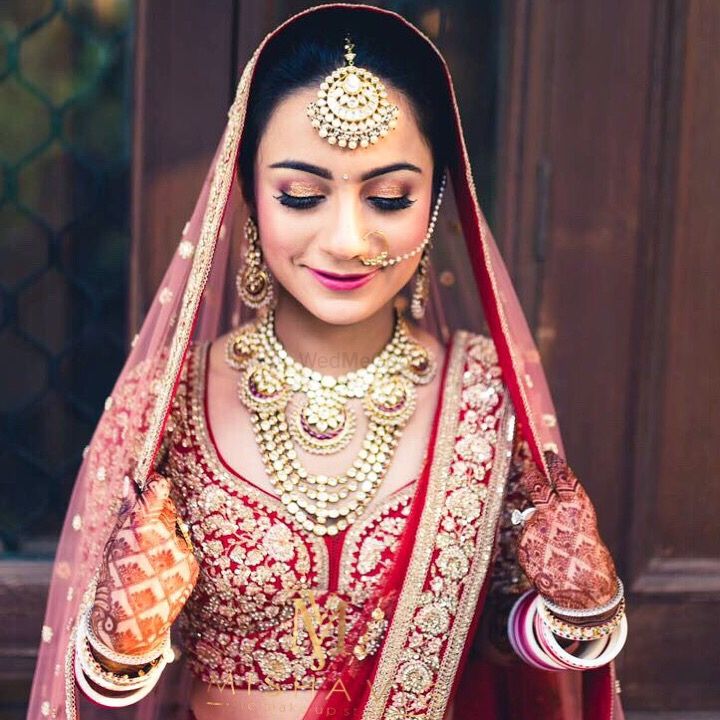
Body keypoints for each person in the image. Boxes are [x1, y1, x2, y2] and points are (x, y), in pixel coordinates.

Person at [27, 5, 628, 719]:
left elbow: (499, 638)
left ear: (435, 200)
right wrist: (126, 638)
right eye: (303, 196)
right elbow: (94, 679)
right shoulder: (170, 401)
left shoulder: (485, 395)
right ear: (249, 194)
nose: (346, 239)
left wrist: (580, 609)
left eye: (389, 196)